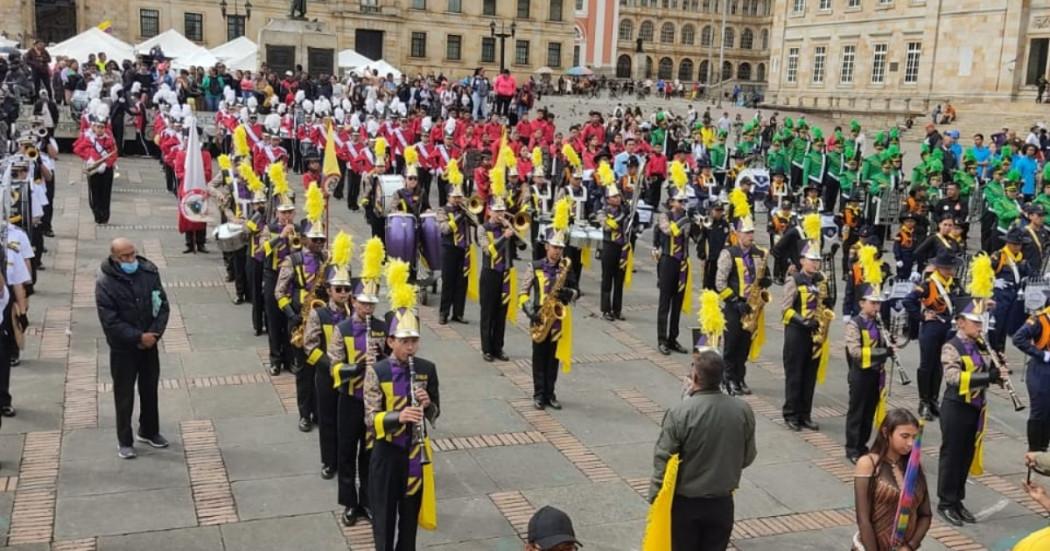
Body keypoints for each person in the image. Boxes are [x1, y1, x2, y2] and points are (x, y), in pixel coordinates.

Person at [650, 351, 756, 551]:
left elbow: (663, 459)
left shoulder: (680, 412)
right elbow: (748, 457)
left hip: (685, 505)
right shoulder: (743, 409)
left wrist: (656, 497)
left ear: (696, 377)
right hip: (722, 503)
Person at [363, 279, 440, 550]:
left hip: (414, 453)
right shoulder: (377, 371)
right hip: (385, 452)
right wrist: (399, 417)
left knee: (409, 522)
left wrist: (427, 403)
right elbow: (370, 418)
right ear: (390, 341)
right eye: (404, 341)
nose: (410, 347)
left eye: (414, 340)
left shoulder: (426, 369)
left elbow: (434, 413)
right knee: (383, 520)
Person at [95, 238, 170, 459]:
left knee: (149, 389)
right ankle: (124, 440)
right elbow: (110, 321)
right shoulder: (105, 283)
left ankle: (149, 430)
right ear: (115, 258)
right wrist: (137, 337)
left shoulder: (148, 272)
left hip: (150, 344)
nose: (130, 260)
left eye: (133, 254)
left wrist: (154, 334)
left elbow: (162, 305)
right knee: (124, 394)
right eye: (125, 257)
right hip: (123, 349)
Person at [937, 294, 1002, 526]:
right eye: (975, 322)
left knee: (965, 456)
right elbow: (953, 377)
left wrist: (997, 375)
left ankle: (957, 500)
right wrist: (987, 376)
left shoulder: (979, 345)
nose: (979, 326)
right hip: (956, 407)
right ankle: (945, 502)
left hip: (975, 408)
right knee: (952, 456)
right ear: (960, 322)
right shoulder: (951, 346)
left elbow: (984, 372)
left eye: (980, 322)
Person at [853, 409, 931, 551]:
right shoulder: (869, 463)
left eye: (914, 437)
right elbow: (863, 520)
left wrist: (910, 546)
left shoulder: (914, 467)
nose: (910, 443)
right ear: (885, 432)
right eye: (905, 436)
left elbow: (925, 515)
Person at [521, 229, 579, 410]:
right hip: (539, 315)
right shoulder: (535, 266)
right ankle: (538, 394)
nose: (557, 251)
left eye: (560, 248)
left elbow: (577, 292)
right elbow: (523, 292)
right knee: (539, 358)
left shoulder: (566, 268)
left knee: (553, 358)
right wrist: (531, 312)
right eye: (554, 247)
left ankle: (550, 393)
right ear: (546, 247)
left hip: (557, 318)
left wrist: (568, 293)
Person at [781, 239, 833, 431]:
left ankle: (805, 414)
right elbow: (785, 309)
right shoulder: (794, 280)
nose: (815, 263)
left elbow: (825, 303)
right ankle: (791, 414)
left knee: (810, 375)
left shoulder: (820, 280)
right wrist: (803, 321)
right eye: (811, 260)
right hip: (797, 333)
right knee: (795, 375)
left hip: (815, 334)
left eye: (817, 260)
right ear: (802, 260)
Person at [844, 279, 892, 463]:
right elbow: (855, 352)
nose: (876, 307)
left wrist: (890, 345)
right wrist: (882, 352)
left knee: (870, 411)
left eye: (878, 303)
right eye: (873, 303)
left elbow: (884, 344)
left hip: (876, 374)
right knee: (858, 411)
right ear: (862, 303)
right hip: (860, 374)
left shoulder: (879, 323)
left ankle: (863, 444)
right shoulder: (855, 324)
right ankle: (852, 448)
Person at [478, 195, 524, 361]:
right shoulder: (483, 228)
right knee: (488, 312)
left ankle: (498, 347)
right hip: (489, 273)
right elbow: (488, 250)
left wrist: (512, 228)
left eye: (502, 211)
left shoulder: (508, 228)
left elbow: (523, 245)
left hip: (505, 274)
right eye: (497, 211)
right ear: (490, 211)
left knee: (501, 312)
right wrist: (504, 236)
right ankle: (487, 349)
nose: (500, 214)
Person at [436, 184, 471, 325]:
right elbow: (445, 229)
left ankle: (458, 313)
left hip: (464, 249)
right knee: (448, 281)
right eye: (455, 197)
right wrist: (458, 217)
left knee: (462, 282)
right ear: (449, 197)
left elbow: (478, 223)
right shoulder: (442, 210)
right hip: (449, 248)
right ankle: (443, 313)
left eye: (459, 197)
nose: (458, 199)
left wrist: (468, 212)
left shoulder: (465, 210)